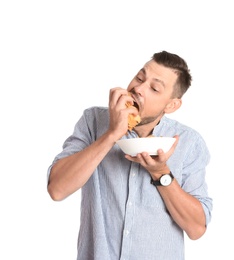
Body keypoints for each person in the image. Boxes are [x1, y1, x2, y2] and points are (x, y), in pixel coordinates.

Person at [47, 50, 213, 260]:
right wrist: (111, 134)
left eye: (154, 88)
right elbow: (57, 189)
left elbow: (197, 228)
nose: (138, 89)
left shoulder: (190, 143)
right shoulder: (93, 121)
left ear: (171, 105)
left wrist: (160, 173)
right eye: (139, 78)